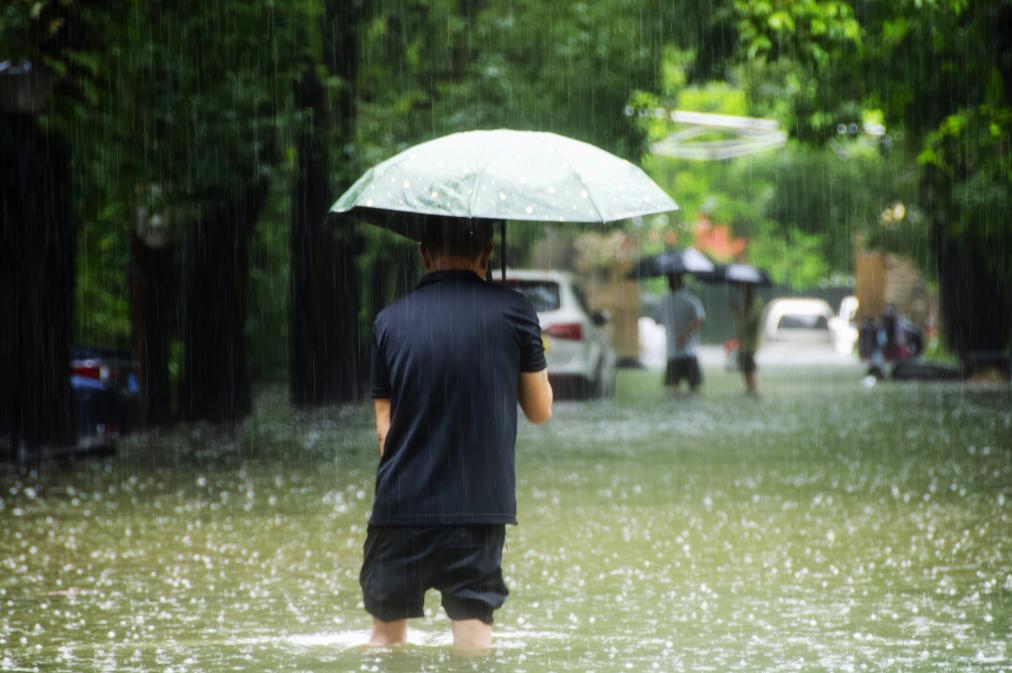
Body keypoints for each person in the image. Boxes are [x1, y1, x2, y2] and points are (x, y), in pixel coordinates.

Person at [361, 217, 553, 651]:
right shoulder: (515, 310)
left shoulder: (390, 320)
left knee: (384, 643)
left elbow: (383, 431)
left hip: (401, 506)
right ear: (486, 253)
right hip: (479, 506)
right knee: (473, 638)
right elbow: (540, 411)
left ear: (423, 253)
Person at [658, 273, 706, 393]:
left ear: (669, 285)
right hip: (689, 352)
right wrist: (684, 336)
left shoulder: (664, 302)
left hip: (672, 353)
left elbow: (657, 320)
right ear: (682, 284)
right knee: (694, 390)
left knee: (673, 390)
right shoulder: (691, 300)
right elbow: (699, 320)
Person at [730, 283, 763, 395]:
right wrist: (737, 310)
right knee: (746, 369)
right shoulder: (748, 303)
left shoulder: (756, 303)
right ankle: (750, 391)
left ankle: (753, 391)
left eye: (746, 288)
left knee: (749, 369)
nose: (743, 291)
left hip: (749, 344)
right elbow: (744, 321)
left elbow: (748, 322)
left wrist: (738, 310)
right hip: (744, 344)